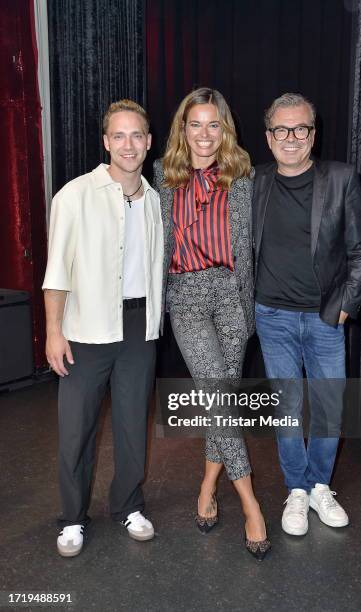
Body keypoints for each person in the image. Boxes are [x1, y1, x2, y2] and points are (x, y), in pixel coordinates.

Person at [43, 100, 163, 556]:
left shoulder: (153, 199)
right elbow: (56, 272)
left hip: (138, 327)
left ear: (149, 142)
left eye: (137, 136)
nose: (128, 145)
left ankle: (129, 505)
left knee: (134, 423)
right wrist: (55, 331)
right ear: (106, 142)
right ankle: (72, 518)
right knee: (76, 429)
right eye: (119, 136)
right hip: (86, 328)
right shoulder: (74, 195)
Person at [154, 87, 270, 560]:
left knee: (221, 400)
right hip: (186, 298)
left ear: (226, 130)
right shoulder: (163, 177)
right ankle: (250, 503)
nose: (204, 135)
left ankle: (206, 487)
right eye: (195, 124)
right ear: (183, 128)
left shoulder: (244, 177)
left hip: (232, 299)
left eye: (213, 125)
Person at [253, 92, 361, 536]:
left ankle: (321, 485)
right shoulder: (254, 181)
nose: (291, 137)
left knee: (328, 405)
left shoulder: (341, 179)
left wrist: (346, 304)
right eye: (281, 130)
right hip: (272, 316)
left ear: (313, 134)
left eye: (300, 128)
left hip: (325, 317)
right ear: (268, 138)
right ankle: (297, 490)